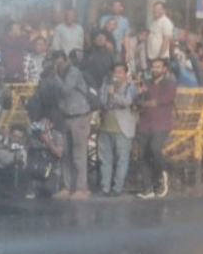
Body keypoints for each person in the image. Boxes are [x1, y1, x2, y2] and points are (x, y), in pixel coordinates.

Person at [49, 51, 92, 199]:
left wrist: (55, 76)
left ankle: (82, 188)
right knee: (66, 154)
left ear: (66, 59)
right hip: (65, 117)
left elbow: (65, 89)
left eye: (60, 61)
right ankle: (67, 187)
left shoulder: (73, 71)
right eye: (55, 61)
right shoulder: (58, 74)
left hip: (79, 116)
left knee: (79, 154)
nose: (58, 64)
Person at [135, 57, 176, 199]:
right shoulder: (145, 83)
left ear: (165, 69)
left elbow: (165, 100)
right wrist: (140, 93)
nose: (154, 69)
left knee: (154, 148)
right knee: (143, 155)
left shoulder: (170, 84)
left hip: (161, 123)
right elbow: (138, 102)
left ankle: (162, 174)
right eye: (153, 67)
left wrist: (146, 102)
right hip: (145, 123)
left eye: (158, 67)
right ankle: (148, 189)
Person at [97, 63, 138, 196]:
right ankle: (105, 187)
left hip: (123, 128)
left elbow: (127, 102)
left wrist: (113, 95)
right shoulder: (106, 85)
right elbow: (101, 101)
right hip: (105, 126)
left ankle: (117, 188)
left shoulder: (130, 87)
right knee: (105, 159)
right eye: (115, 72)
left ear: (125, 74)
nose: (117, 75)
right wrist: (109, 93)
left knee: (122, 159)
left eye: (120, 72)